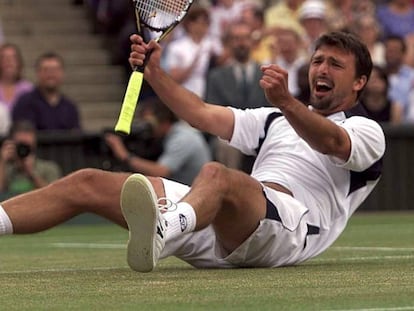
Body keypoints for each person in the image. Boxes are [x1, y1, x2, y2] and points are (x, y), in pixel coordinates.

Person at [0, 31, 385, 274]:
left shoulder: (366, 130)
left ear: (359, 82)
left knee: (217, 174)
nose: (323, 68)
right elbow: (200, 114)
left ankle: (162, 228)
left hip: (288, 231)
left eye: (336, 64)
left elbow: (332, 142)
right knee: (86, 182)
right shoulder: (273, 118)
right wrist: (156, 74)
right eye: (318, 60)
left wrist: (286, 101)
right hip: (217, 222)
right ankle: (167, 226)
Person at [205, 21, 271, 172]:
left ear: (252, 42)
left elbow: (271, 110)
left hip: (260, 133)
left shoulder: (266, 74)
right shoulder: (217, 76)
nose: (241, 43)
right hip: (229, 133)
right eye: (236, 38)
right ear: (228, 43)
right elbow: (211, 111)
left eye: (245, 38)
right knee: (225, 144)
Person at [105, 97, 212, 185]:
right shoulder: (167, 137)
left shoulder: (183, 138)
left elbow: (161, 171)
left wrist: (125, 156)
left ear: (164, 121)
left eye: (149, 124)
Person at [11, 52, 81, 131]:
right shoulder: (24, 103)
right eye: (46, 70)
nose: (51, 74)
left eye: (55, 70)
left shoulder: (70, 107)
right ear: (38, 73)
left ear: (62, 73)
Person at [0, 121, 62, 199]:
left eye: (27, 146)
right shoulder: (5, 169)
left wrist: (31, 173)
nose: (23, 150)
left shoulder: (49, 168)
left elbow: (54, 198)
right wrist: (2, 162)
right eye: (20, 145)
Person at [383, 35, 414, 122]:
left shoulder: (412, 77)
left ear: (403, 53)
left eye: (395, 50)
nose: (390, 53)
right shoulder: (377, 75)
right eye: (388, 50)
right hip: (383, 123)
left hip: (407, 128)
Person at [0, 43, 34, 113]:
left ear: (19, 62)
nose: (9, 61)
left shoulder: (28, 89)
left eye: (13, 57)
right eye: (4, 57)